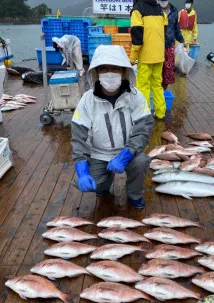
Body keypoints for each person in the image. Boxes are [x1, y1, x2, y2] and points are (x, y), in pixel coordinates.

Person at [71, 45, 153, 209]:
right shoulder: (87, 100)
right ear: (96, 72)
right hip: (98, 154)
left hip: (128, 151)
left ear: (124, 72)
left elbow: (144, 128)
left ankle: (134, 195)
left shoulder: (136, 97)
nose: (109, 73)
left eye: (115, 68)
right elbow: (79, 137)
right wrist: (81, 169)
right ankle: (103, 183)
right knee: (88, 182)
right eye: (104, 69)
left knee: (141, 161)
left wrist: (126, 154)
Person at [130, 0, 168, 120]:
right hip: (159, 56)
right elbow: (165, 31)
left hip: (146, 57)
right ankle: (160, 113)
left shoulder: (137, 9)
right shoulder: (160, 10)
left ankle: (144, 115)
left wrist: (132, 58)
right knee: (157, 85)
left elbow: (137, 38)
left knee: (143, 87)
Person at [159, 0, 185, 90]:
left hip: (169, 46)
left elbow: (176, 28)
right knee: (157, 73)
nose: (162, 1)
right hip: (157, 46)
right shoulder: (155, 9)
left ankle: (163, 92)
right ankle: (156, 94)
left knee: (168, 73)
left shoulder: (174, 10)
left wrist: (182, 40)